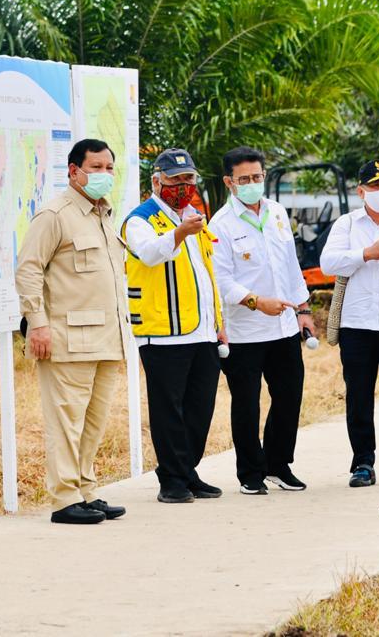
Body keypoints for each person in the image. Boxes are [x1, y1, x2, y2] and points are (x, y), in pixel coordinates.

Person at [15, 138, 131, 525]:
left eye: (108, 168)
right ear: (74, 171)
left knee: (93, 423)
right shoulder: (55, 214)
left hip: (106, 338)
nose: (103, 175)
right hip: (66, 338)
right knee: (66, 422)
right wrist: (38, 323)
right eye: (95, 168)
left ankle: (85, 489)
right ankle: (64, 499)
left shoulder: (103, 214)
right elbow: (29, 270)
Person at [122, 148, 225, 504]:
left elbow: (206, 274)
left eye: (188, 179)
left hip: (202, 330)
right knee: (169, 410)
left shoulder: (195, 217)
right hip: (162, 331)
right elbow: (149, 254)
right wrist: (180, 232)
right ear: (156, 181)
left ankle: (188, 471)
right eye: (175, 180)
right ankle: (171, 479)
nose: (183, 187)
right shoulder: (140, 219)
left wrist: (218, 322)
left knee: (201, 407)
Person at [210, 146, 314, 495]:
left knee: (288, 395)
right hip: (245, 331)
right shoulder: (220, 225)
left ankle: (278, 464)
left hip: (284, 325)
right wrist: (256, 302)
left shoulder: (277, 212)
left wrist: (303, 311)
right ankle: (250, 473)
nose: (253, 183)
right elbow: (221, 280)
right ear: (230, 182)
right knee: (247, 402)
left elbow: (291, 266)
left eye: (258, 177)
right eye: (245, 179)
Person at [320, 159, 379, 488]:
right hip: (356, 324)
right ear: (361, 192)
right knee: (358, 395)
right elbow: (328, 262)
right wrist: (366, 254)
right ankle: (362, 462)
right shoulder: (347, 224)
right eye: (375, 186)